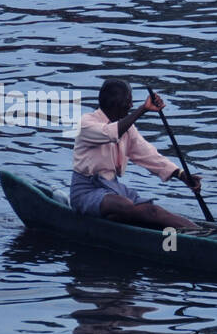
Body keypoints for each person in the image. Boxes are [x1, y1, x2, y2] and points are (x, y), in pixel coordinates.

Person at [70, 79, 202, 230]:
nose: (131, 106)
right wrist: (143, 109)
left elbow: (149, 154)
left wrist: (180, 174)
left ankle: (202, 232)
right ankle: (119, 215)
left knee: (153, 211)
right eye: (128, 101)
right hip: (87, 191)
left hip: (114, 189)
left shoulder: (127, 128)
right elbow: (111, 133)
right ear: (116, 103)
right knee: (124, 205)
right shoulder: (86, 123)